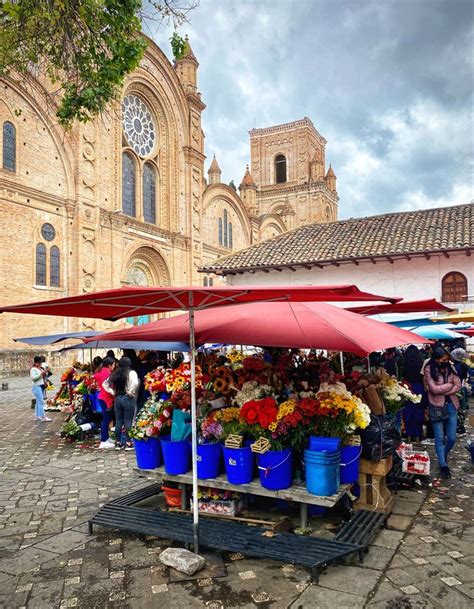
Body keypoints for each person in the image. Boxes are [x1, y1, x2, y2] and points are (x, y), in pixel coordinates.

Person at [423, 346, 461, 479]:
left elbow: (458, 384)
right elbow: (433, 389)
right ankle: (443, 465)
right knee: (439, 437)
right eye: (443, 359)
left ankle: (443, 455)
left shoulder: (450, 367)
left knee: (451, 437)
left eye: (447, 359)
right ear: (436, 359)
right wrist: (449, 386)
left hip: (451, 405)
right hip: (436, 406)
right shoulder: (428, 369)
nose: (446, 361)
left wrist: (445, 389)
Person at [103, 356, 139, 451]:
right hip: (128, 398)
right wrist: (130, 391)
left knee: (119, 421)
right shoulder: (131, 373)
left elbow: (105, 384)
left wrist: (112, 392)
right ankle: (128, 443)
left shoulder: (116, 373)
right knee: (128, 421)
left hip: (118, 399)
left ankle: (118, 442)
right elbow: (135, 383)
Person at [402, 345, 425, 442]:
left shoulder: (404, 363)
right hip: (419, 387)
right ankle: (417, 435)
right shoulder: (421, 363)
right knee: (418, 412)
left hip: (408, 387)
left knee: (408, 412)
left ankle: (408, 435)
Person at [94, 357, 116, 449]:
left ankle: (106, 438)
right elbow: (108, 386)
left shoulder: (100, 371)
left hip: (101, 397)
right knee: (106, 419)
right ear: (109, 365)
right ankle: (103, 441)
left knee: (106, 418)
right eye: (114, 364)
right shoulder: (106, 373)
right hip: (106, 398)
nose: (115, 366)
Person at [30, 356, 52, 422]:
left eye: (40, 363)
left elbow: (44, 376)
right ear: (35, 362)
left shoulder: (40, 368)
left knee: (38, 402)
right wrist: (42, 373)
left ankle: (37, 415)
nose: (40, 364)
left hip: (41, 386)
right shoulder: (33, 369)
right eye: (38, 363)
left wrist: (47, 372)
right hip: (36, 386)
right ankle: (43, 416)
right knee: (41, 402)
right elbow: (33, 378)